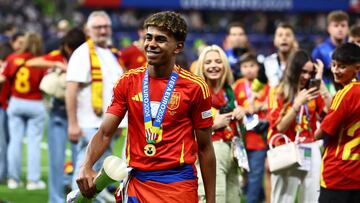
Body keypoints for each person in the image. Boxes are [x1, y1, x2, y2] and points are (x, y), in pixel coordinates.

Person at [75, 11, 216, 203]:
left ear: (178, 47)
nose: (151, 44)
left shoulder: (195, 87)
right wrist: (86, 165)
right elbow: (105, 133)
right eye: (148, 37)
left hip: (177, 184)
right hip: (137, 182)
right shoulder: (127, 81)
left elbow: (206, 148)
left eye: (160, 39)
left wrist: (211, 200)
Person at [65, 11, 126, 196]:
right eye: (98, 27)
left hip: (106, 126)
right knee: (85, 174)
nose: (102, 31)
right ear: (88, 30)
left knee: (97, 177)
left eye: (106, 27)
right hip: (89, 125)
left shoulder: (111, 53)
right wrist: (73, 124)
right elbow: (71, 89)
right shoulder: (82, 53)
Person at [26, 27, 86, 203]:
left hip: (79, 114)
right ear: (66, 46)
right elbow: (31, 63)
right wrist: (57, 65)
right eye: (71, 47)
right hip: (59, 113)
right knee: (56, 161)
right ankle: (55, 200)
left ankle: (76, 197)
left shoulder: (86, 59)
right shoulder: (58, 56)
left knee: (81, 162)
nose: (72, 51)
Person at [267, 50, 331, 203]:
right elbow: (280, 128)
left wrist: (320, 84)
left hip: (310, 149)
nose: (307, 76)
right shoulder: (278, 92)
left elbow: (329, 114)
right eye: (303, 71)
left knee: (312, 199)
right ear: (294, 69)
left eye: (310, 73)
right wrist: (297, 104)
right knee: (283, 199)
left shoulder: (312, 92)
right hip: (286, 149)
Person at [195, 44, 244, 203]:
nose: (214, 66)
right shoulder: (196, 92)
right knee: (214, 198)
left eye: (218, 61)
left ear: (225, 65)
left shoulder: (229, 91)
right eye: (208, 62)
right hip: (209, 150)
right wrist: (214, 125)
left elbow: (239, 126)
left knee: (233, 199)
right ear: (201, 67)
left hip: (232, 150)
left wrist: (241, 115)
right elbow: (185, 129)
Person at [0, 32, 48, 190]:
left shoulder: (12, 58)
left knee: (14, 141)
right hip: (35, 103)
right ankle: (32, 181)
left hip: (16, 102)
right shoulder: (41, 61)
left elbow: (3, 77)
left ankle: (13, 179)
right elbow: (46, 85)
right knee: (34, 143)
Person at [315, 43, 360, 203]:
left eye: (341, 66)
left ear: (357, 67)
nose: (335, 70)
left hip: (338, 173)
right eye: (333, 65)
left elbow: (321, 133)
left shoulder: (346, 94)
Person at [233, 53, 268, 203]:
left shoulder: (266, 86)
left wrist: (256, 106)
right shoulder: (237, 86)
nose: (249, 69)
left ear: (258, 67)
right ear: (240, 68)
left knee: (255, 175)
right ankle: (258, 198)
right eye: (245, 66)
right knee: (245, 175)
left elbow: (270, 106)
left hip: (259, 139)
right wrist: (248, 108)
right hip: (241, 138)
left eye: (252, 66)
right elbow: (233, 107)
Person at [311, 10, 349, 94]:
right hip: (327, 93)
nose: (340, 29)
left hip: (350, 92)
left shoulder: (353, 49)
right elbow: (313, 76)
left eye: (343, 25)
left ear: (348, 28)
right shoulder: (319, 50)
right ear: (329, 28)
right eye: (336, 25)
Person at [264, 23, 297, 88]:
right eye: (280, 35)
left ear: (294, 40)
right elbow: (256, 88)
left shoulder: (301, 63)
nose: (284, 38)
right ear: (274, 41)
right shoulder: (267, 62)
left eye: (288, 35)